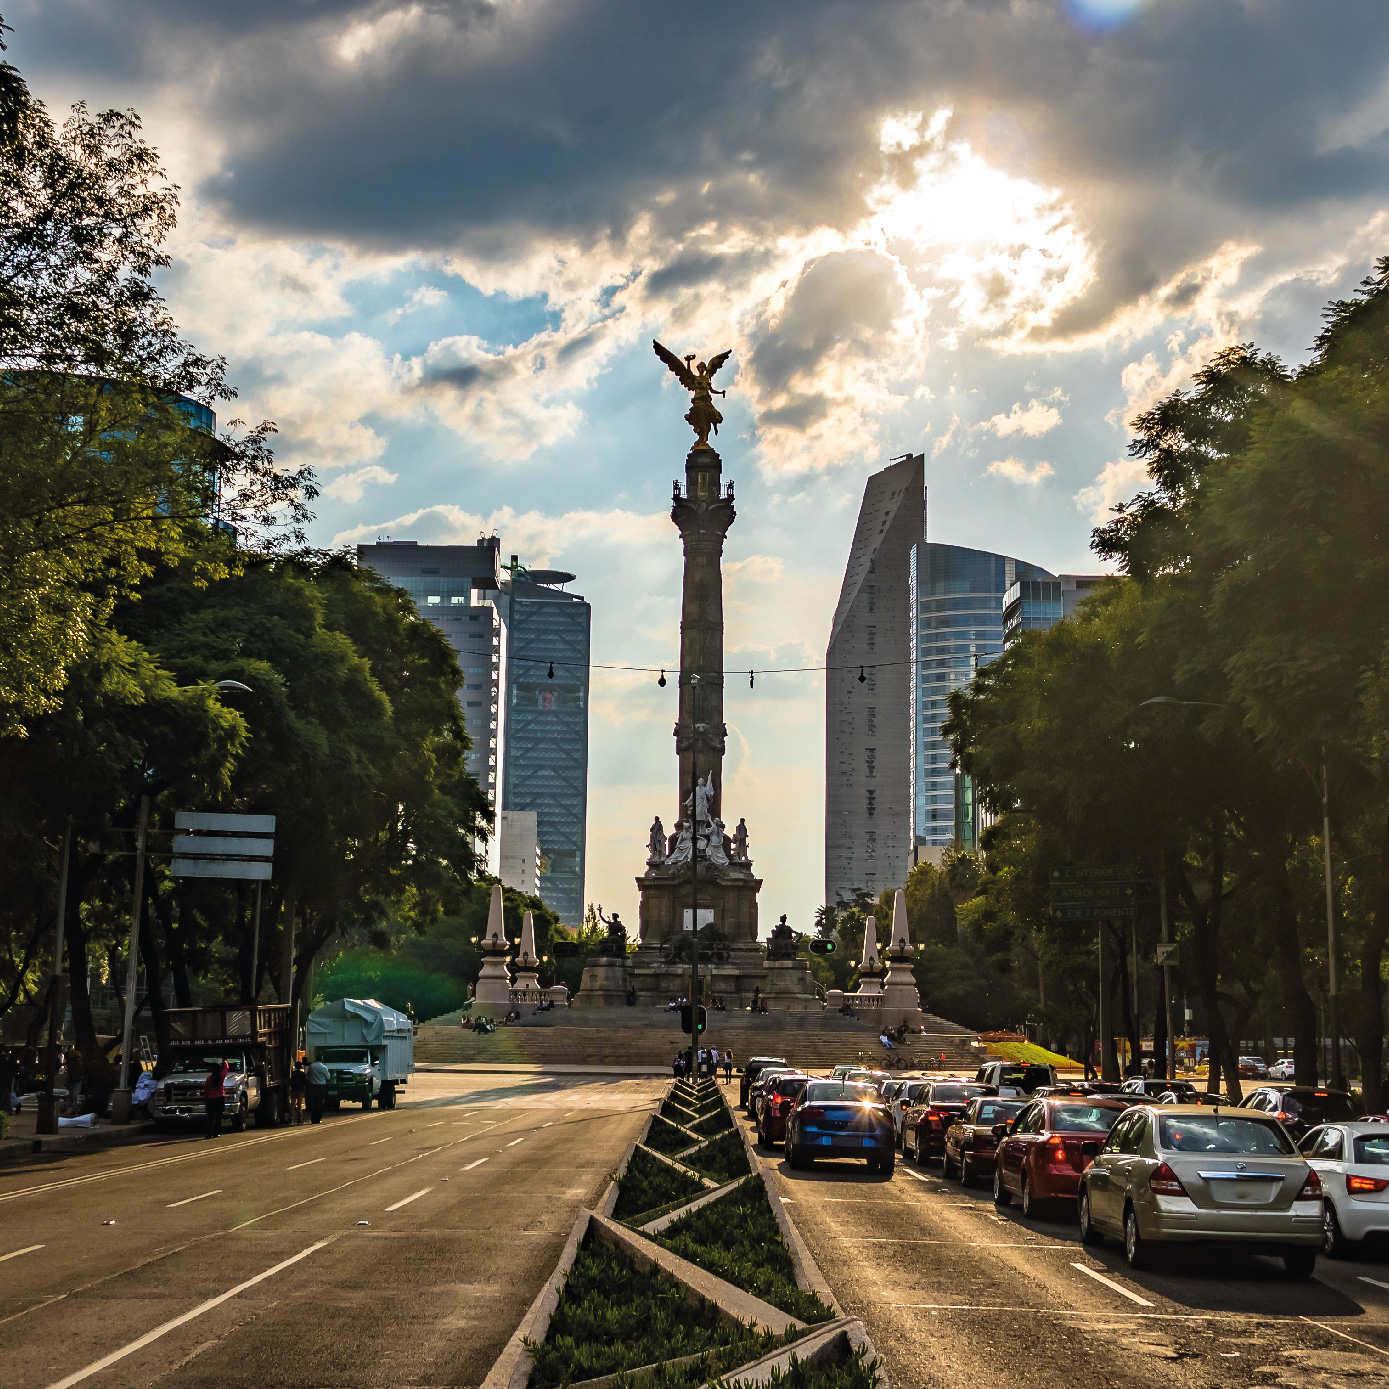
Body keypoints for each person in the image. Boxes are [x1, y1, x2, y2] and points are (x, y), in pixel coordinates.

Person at [202, 1060, 229, 1139]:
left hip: (210, 1099)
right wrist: (225, 1062)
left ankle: (208, 1133)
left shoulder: (209, 1078)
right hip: (220, 1098)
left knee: (210, 1117)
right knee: (218, 1116)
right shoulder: (222, 1076)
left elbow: (206, 1089)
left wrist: (205, 1098)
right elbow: (226, 1068)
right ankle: (216, 1133)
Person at [306, 1056, 329, 1124]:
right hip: (321, 1086)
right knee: (320, 1103)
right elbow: (328, 1077)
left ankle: (313, 1119)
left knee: (313, 1102)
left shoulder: (312, 1066)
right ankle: (318, 1119)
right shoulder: (324, 1067)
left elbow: (308, 1076)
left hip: (313, 1086)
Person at [289, 1060, 307, 1125]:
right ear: (301, 1066)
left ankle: (291, 1118)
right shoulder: (302, 1074)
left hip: (293, 1090)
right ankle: (299, 1119)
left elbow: (290, 1082)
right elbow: (305, 1083)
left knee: (292, 1105)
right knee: (299, 1105)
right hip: (300, 1090)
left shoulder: (293, 1073)